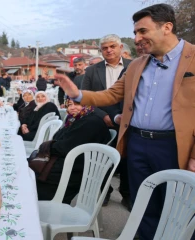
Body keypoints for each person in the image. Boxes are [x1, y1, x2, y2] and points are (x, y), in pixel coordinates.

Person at [54, 4, 195, 240]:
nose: (137, 38)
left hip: (175, 146)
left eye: (142, 31)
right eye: (136, 33)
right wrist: (76, 93)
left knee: (179, 210)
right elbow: (109, 95)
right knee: (144, 205)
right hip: (137, 143)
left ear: (167, 27)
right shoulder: (138, 65)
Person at [81, 34, 132, 207]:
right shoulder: (92, 70)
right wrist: (102, 115)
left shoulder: (135, 67)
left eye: (112, 46)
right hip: (101, 120)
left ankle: (126, 194)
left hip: (128, 120)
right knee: (101, 159)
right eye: (105, 48)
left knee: (127, 160)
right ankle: (105, 191)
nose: (109, 50)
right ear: (101, 51)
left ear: (120, 48)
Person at [33, 98, 110, 202]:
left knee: (30, 179)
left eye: (77, 104)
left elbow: (64, 147)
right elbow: (59, 140)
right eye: (69, 104)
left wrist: (47, 146)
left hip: (73, 172)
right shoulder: (76, 119)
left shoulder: (91, 122)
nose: (73, 107)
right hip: (66, 165)